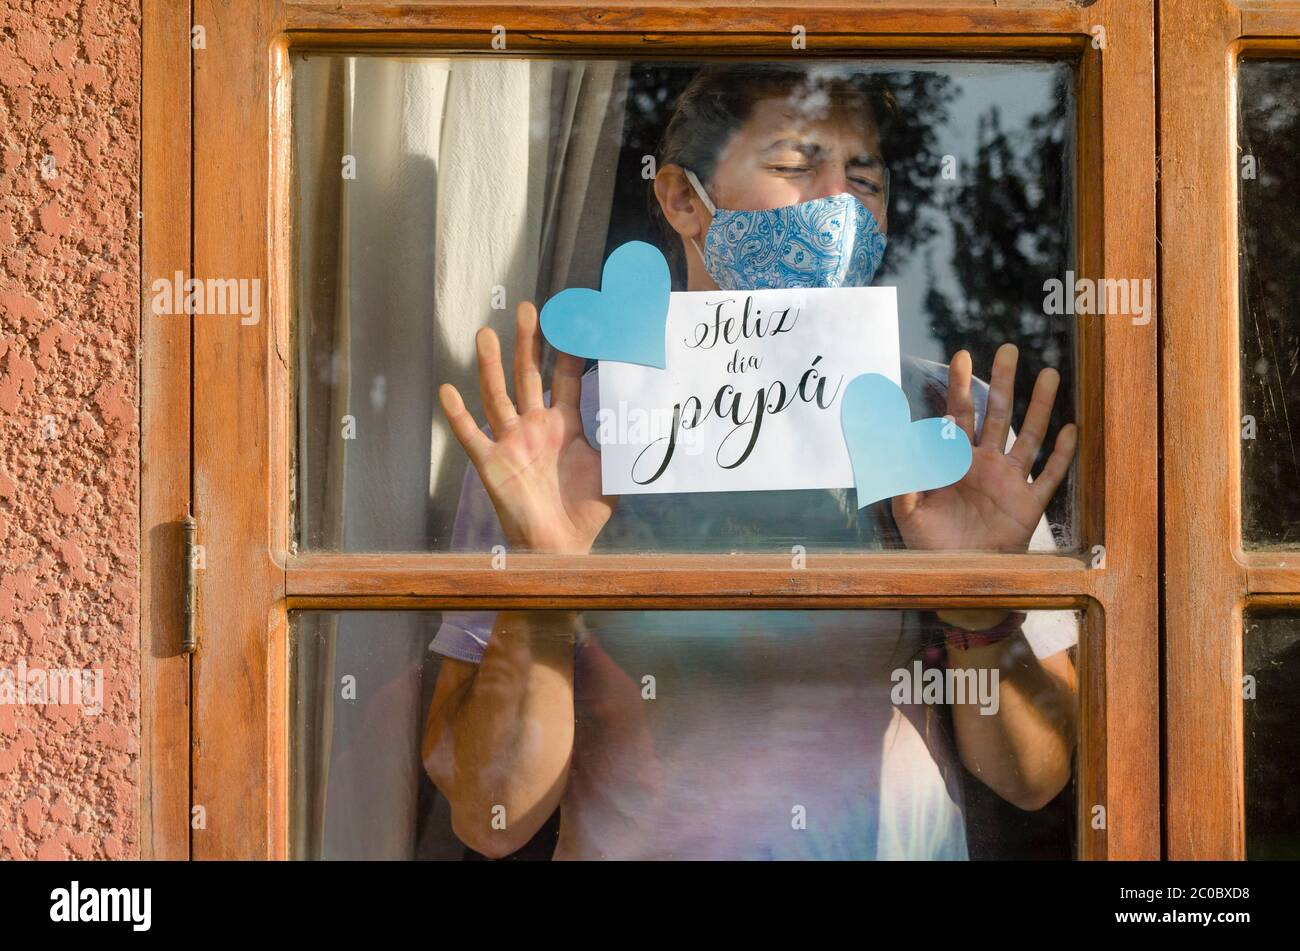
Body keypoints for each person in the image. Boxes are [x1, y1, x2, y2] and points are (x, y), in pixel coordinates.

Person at [421, 63, 1079, 860]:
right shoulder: (560, 445)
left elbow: (1037, 777)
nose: (840, 205)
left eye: (866, 179)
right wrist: (545, 592)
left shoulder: (949, 431)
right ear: (681, 199)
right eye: (797, 166)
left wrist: (982, 609)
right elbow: (491, 817)